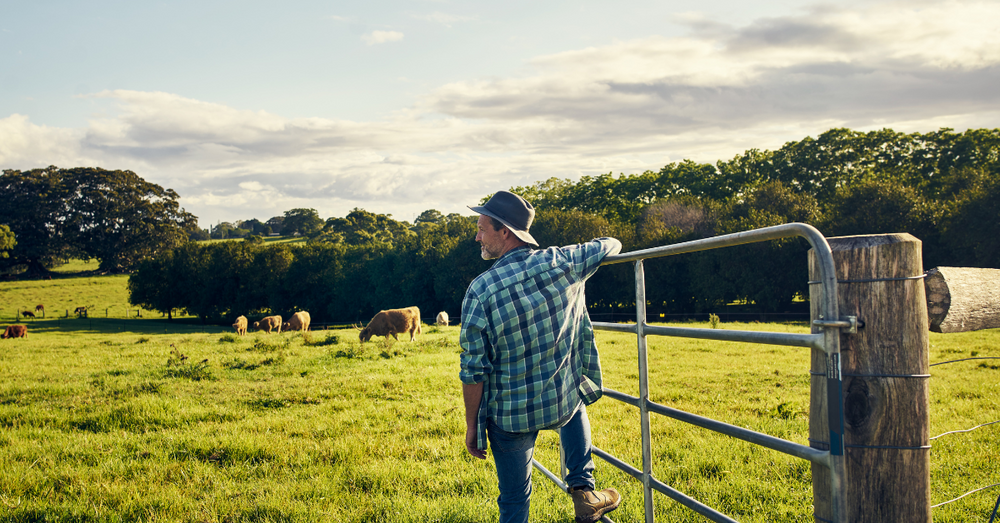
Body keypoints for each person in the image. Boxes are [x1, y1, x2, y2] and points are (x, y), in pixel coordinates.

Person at [459, 190, 623, 523]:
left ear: (505, 232)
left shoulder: (481, 289)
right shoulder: (565, 260)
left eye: (481, 228)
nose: (476, 236)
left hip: (510, 418)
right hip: (559, 403)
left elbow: (473, 371)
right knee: (575, 395)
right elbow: (611, 243)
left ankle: (580, 493)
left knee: (515, 500)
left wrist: (472, 426)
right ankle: (584, 490)